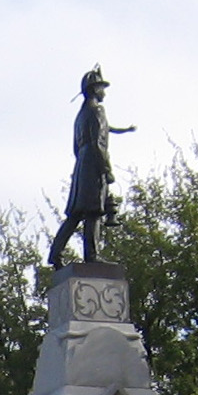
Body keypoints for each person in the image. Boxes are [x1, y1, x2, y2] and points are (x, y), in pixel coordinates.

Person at [47, 66, 135, 268]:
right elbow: (98, 142)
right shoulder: (97, 110)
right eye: (102, 88)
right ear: (95, 89)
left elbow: (77, 146)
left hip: (82, 164)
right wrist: (106, 169)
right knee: (94, 212)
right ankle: (92, 256)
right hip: (94, 163)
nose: (104, 93)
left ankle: (56, 253)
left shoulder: (81, 115)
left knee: (76, 214)